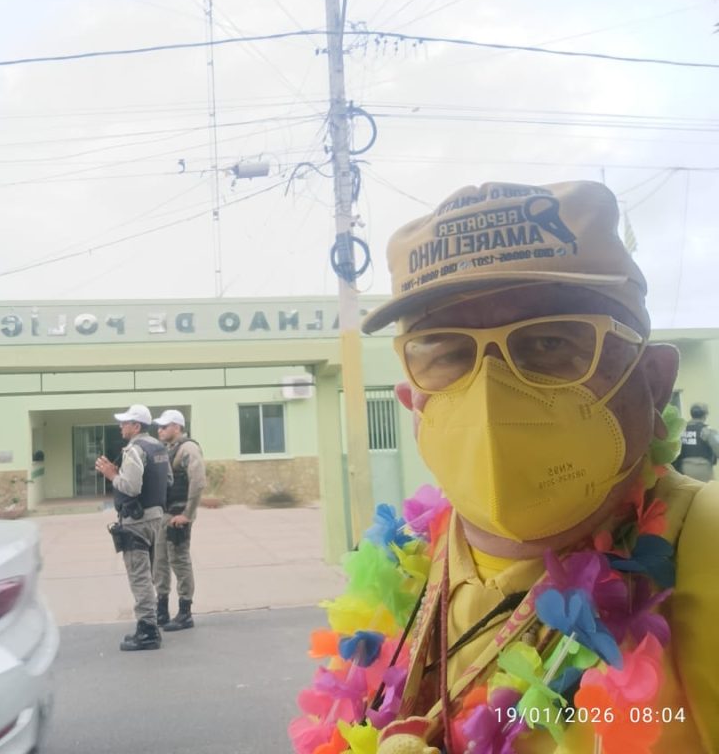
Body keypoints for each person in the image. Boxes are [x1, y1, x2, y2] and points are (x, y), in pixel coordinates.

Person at [290, 181, 718, 753]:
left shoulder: (703, 540)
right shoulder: (401, 561)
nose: (491, 392)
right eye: (448, 351)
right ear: (413, 401)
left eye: (549, 343)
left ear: (653, 381)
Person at [95, 404, 170, 651]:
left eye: (125, 422)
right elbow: (168, 480)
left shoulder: (135, 450)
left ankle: (147, 631)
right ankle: (151, 623)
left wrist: (112, 475)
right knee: (148, 574)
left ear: (136, 426)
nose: (121, 426)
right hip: (156, 518)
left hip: (137, 521)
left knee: (139, 577)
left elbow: (131, 487)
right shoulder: (158, 447)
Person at [152, 409, 206, 631]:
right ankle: (162, 609)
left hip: (178, 516)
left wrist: (187, 514)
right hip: (165, 514)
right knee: (160, 561)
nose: (160, 430)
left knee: (179, 561)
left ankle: (185, 612)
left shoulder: (188, 448)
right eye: (159, 426)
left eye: (164, 426)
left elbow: (198, 482)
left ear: (177, 427)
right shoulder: (167, 449)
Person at [675, 403, 719, 481]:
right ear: (705, 416)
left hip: (683, 470)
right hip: (703, 470)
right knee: (708, 489)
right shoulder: (707, 430)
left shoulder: (681, 430)